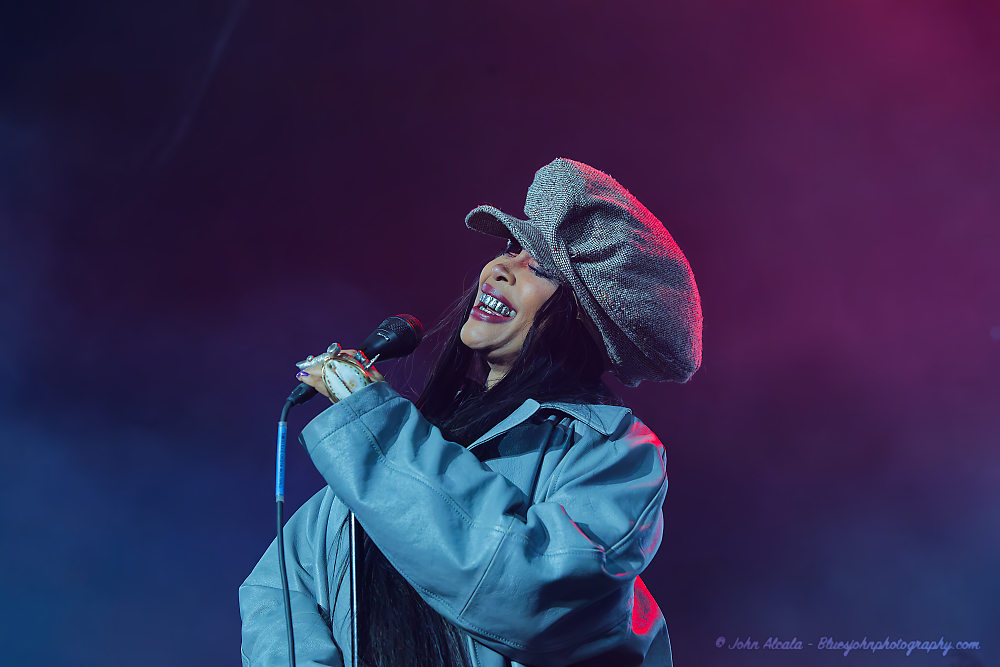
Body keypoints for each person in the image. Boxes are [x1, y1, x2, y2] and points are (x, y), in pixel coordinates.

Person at [239, 158, 703, 667]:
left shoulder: (615, 453)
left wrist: (378, 428)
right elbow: (279, 588)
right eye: (511, 249)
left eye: (541, 267)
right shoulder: (411, 444)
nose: (501, 267)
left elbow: (528, 588)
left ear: (584, 317)